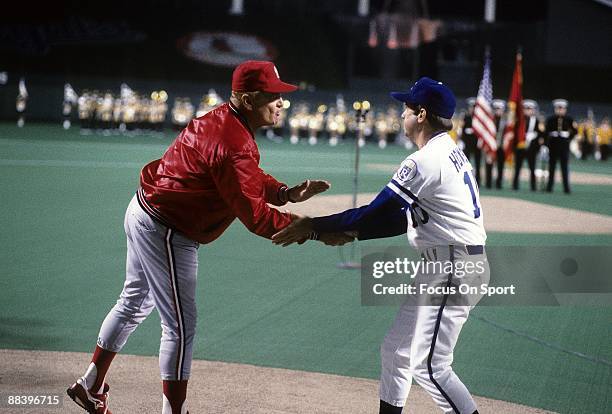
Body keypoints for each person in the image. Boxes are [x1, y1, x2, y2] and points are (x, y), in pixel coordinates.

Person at [66, 60, 353, 414]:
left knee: (134, 303)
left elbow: (245, 176)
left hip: (145, 212)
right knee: (180, 328)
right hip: (168, 230)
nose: (281, 102)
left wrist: (284, 193)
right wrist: (316, 230)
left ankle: (89, 385)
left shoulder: (222, 118)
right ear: (248, 100)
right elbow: (256, 217)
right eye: (273, 96)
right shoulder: (233, 142)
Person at [273, 77, 489, 414]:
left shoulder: (425, 160)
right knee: (396, 351)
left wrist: (313, 226)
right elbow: (394, 220)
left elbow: (375, 213)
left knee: (430, 367)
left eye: (405, 108)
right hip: (445, 264)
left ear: (421, 113)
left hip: (453, 266)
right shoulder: (448, 152)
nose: (401, 114)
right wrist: (345, 233)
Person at [545, 99, 577, 193]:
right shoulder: (550, 119)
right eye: (558, 108)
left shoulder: (569, 119)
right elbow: (546, 132)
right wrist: (546, 144)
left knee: (564, 168)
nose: (560, 110)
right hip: (553, 145)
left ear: (565, 109)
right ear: (555, 109)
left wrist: (568, 138)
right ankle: (549, 187)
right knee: (551, 167)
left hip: (564, 145)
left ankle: (566, 188)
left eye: (562, 108)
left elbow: (575, 131)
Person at [512, 99, 545, 190]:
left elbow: (541, 135)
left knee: (532, 168)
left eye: (530, 109)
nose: (528, 110)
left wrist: (538, 146)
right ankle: (515, 185)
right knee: (517, 168)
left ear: (533, 110)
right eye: (526, 108)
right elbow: (514, 134)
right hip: (520, 148)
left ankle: (533, 186)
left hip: (532, 149)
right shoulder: (519, 121)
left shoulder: (537, 121)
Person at [459, 97, 482, 186]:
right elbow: (461, 129)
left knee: (478, 163)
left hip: (476, 144)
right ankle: (466, 180)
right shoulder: (466, 116)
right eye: (471, 107)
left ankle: (478, 181)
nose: (472, 108)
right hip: (467, 143)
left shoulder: (479, 118)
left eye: (474, 107)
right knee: (466, 164)